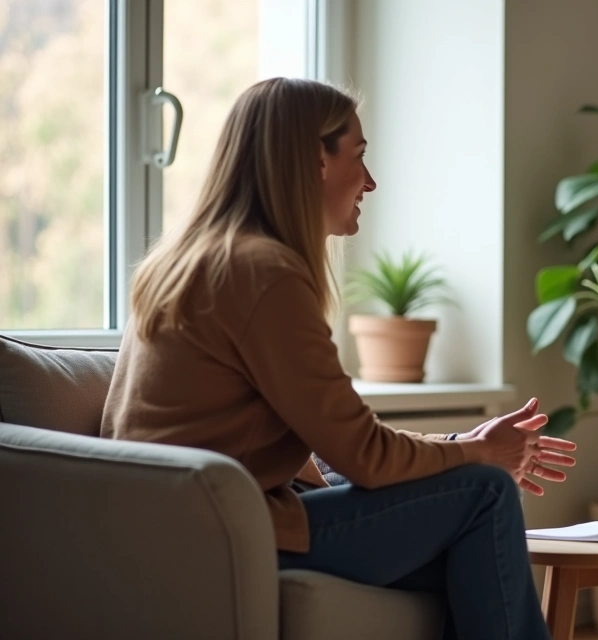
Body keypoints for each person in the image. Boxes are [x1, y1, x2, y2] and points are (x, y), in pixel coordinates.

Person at [101, 77, 572, 640]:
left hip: (188, 524)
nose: (370, 182)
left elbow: (336, 446)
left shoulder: (193, 260)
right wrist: (480, 456)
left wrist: (458, 448)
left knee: (471, 538)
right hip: (228, 533)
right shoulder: (263, 274)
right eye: (360, 156)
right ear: (314, 161)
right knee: (486, 493)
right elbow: (364, 455)